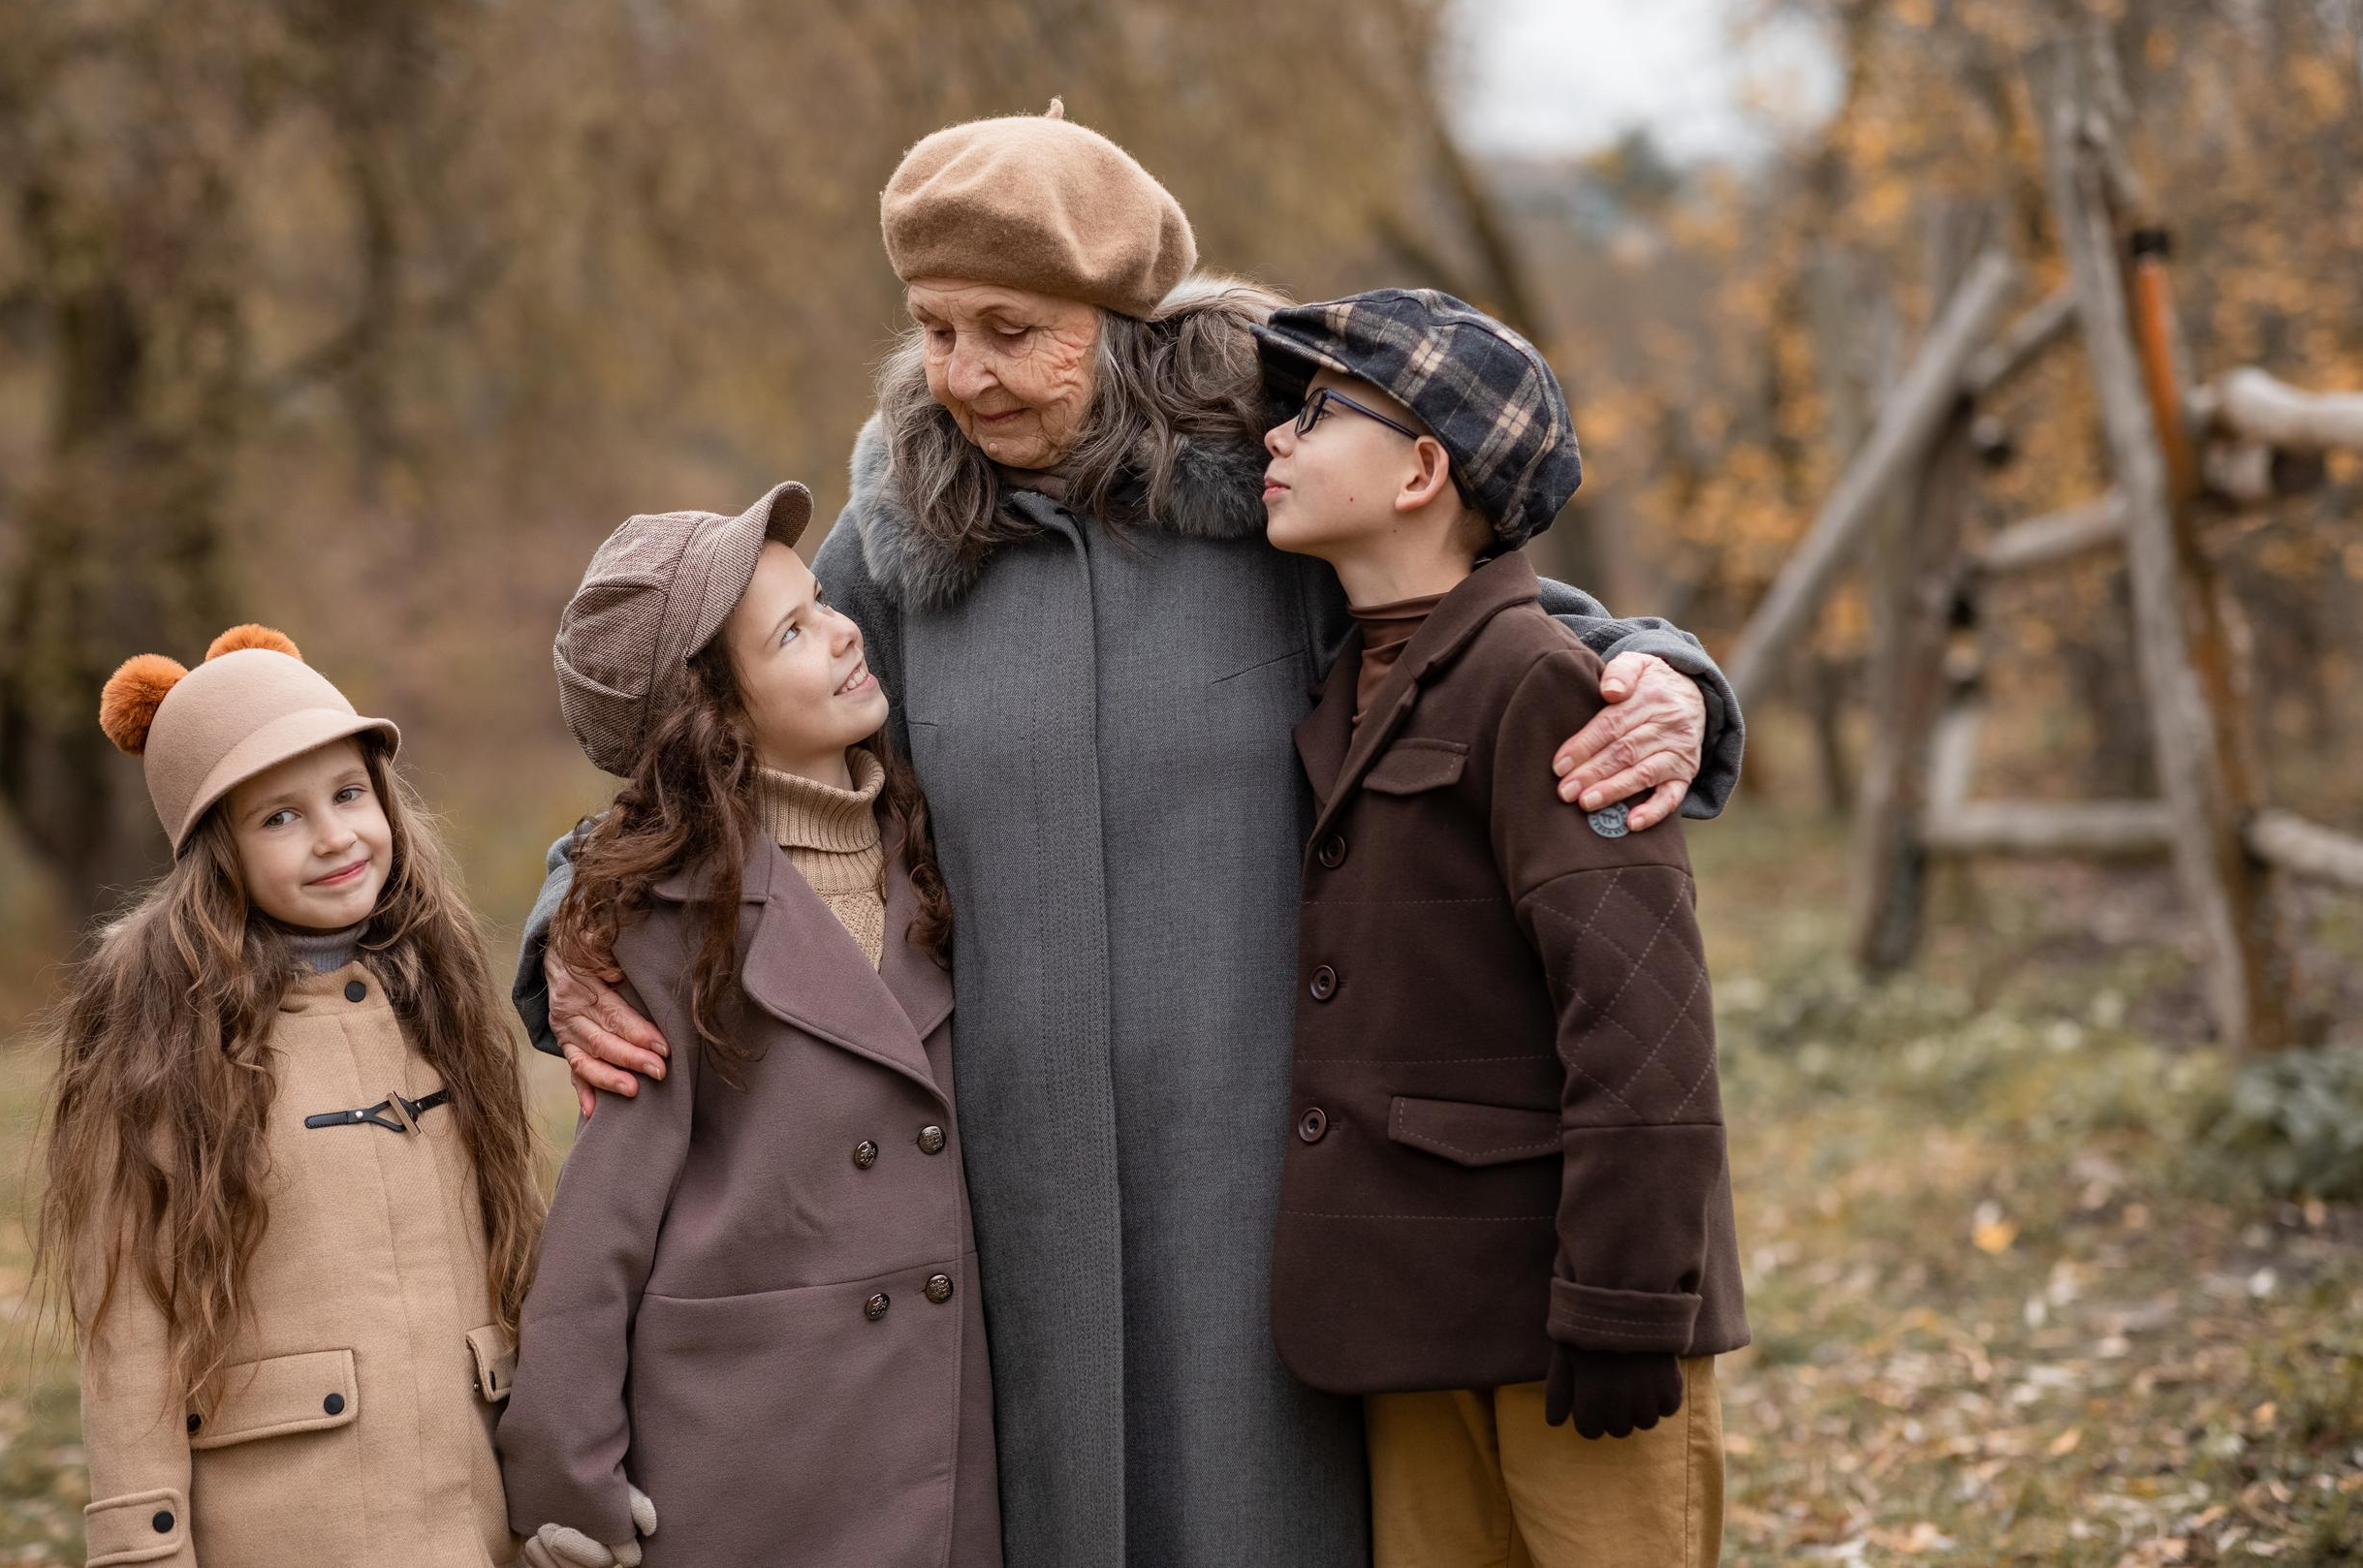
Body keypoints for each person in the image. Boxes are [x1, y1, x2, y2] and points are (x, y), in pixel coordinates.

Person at [518, 106, 1746, 1567]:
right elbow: (714, 739)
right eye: (936, 330)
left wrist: (1669, 674)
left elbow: (1503, 622)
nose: (965, 374)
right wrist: (572, 922)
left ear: (1121, 321)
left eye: (1013, 331)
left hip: (1266, 1178)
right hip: (1007, 1189)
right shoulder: (900, 539)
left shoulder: (1277, 500)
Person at [1253, 289, 1747, 1568]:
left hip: (1568, 1304)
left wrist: (1628, 1298)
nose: (1276, 437)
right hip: (1411, 1307)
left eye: (1318, 414)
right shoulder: (1343, 682)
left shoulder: (1543, 680)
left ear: (1422, 471)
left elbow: (1641, 1014)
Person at [497, 485, 999, 1568]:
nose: (844, 629)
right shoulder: (662, 929)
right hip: (754, 1457)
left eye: (820, 601)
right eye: (793, 633)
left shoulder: (931, 845)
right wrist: (567, 1481)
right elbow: (599, 1233)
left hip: (933, 1441)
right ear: (715, 717)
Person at [40, 625, 543, 1568]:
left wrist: (560, 1482)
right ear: (217, 852)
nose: (335, 836)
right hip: (285, 1531)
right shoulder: (163, 1047)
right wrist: (143, 1546)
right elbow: (128, 1326)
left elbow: (512, 1264)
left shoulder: (435, 1003)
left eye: (349, 793)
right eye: (279, 817)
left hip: (476, 1522)